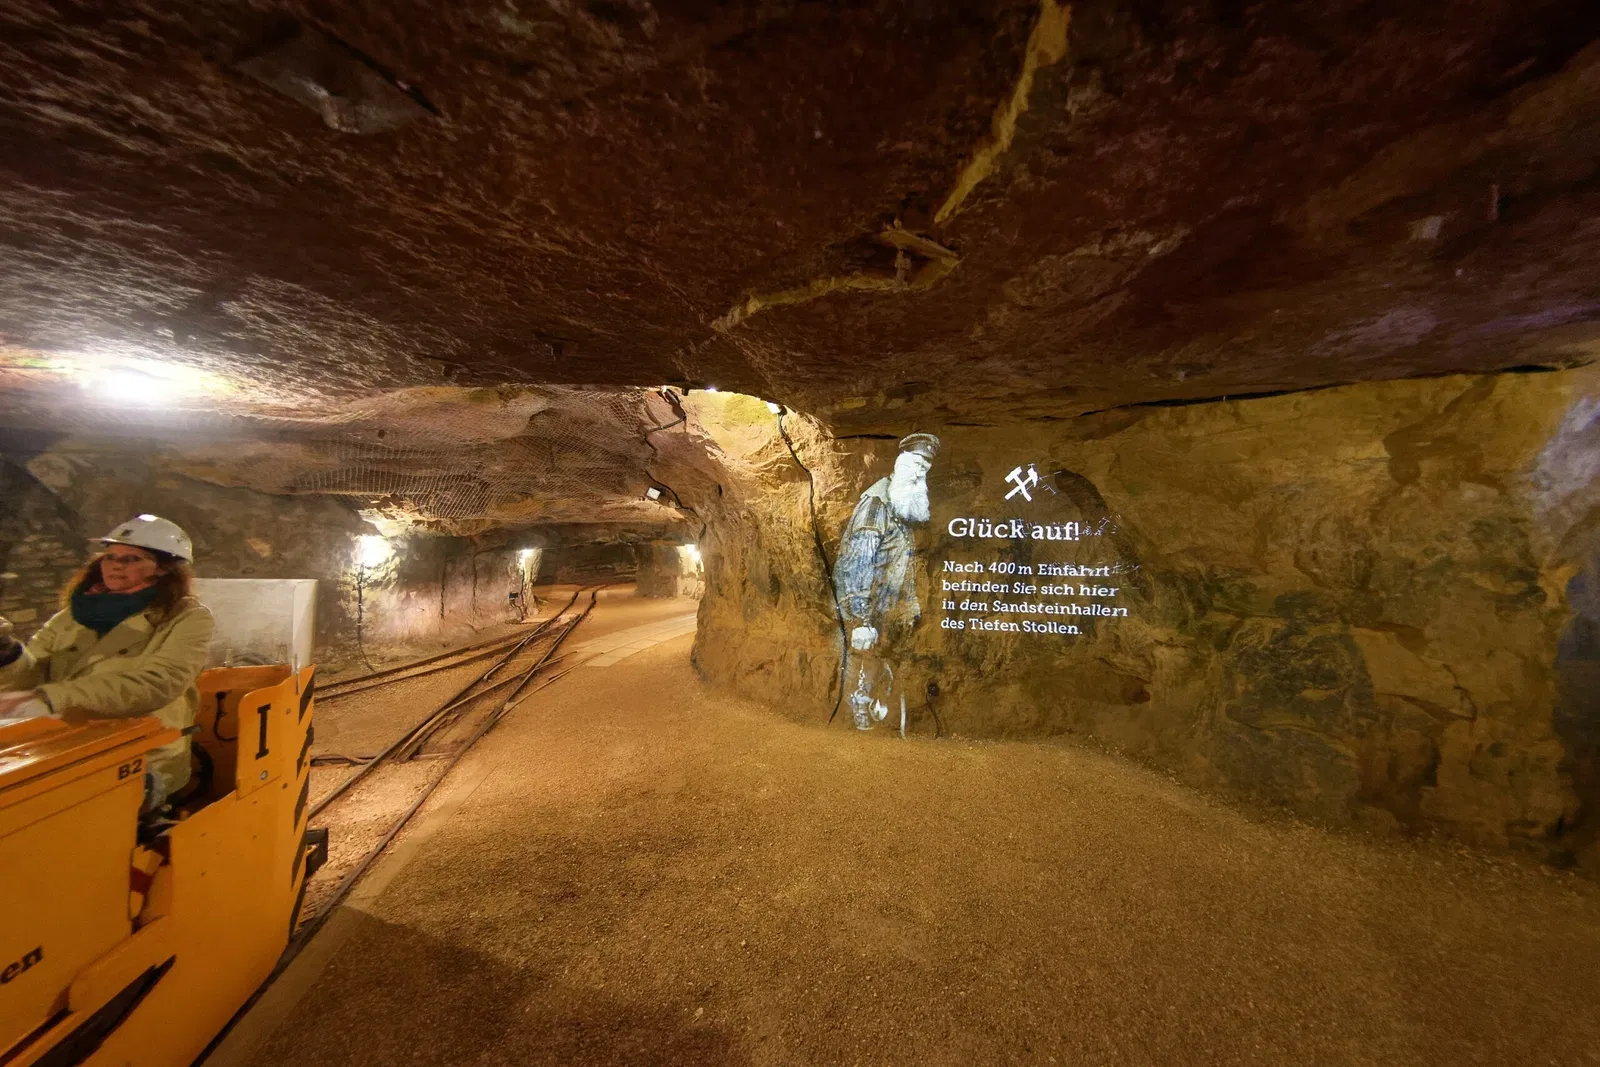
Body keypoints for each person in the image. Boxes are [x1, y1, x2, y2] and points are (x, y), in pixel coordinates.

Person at [0, 515, 214, 810]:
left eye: (132, 558)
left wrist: (52, 698)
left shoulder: (186, 617)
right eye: (110, 557)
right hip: (63, 747)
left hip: (143, 756)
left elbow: (158, 683)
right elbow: (31, 676)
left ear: (164, 569)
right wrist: (8, 655)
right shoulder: (75, 614)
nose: (115, 565)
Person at [834, 433, 940, 730]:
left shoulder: (901, 505)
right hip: (869, 615)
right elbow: (856, 564)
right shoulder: (876, 505)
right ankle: (856, 731)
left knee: (880, 669)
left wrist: (911, 604)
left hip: (889, 612)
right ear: (902, 462)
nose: (921, 471)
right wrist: (859, 621)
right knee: (864, 669)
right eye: (917, 463)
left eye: (926, 466)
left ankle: (879, 720)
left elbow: (900, 564)